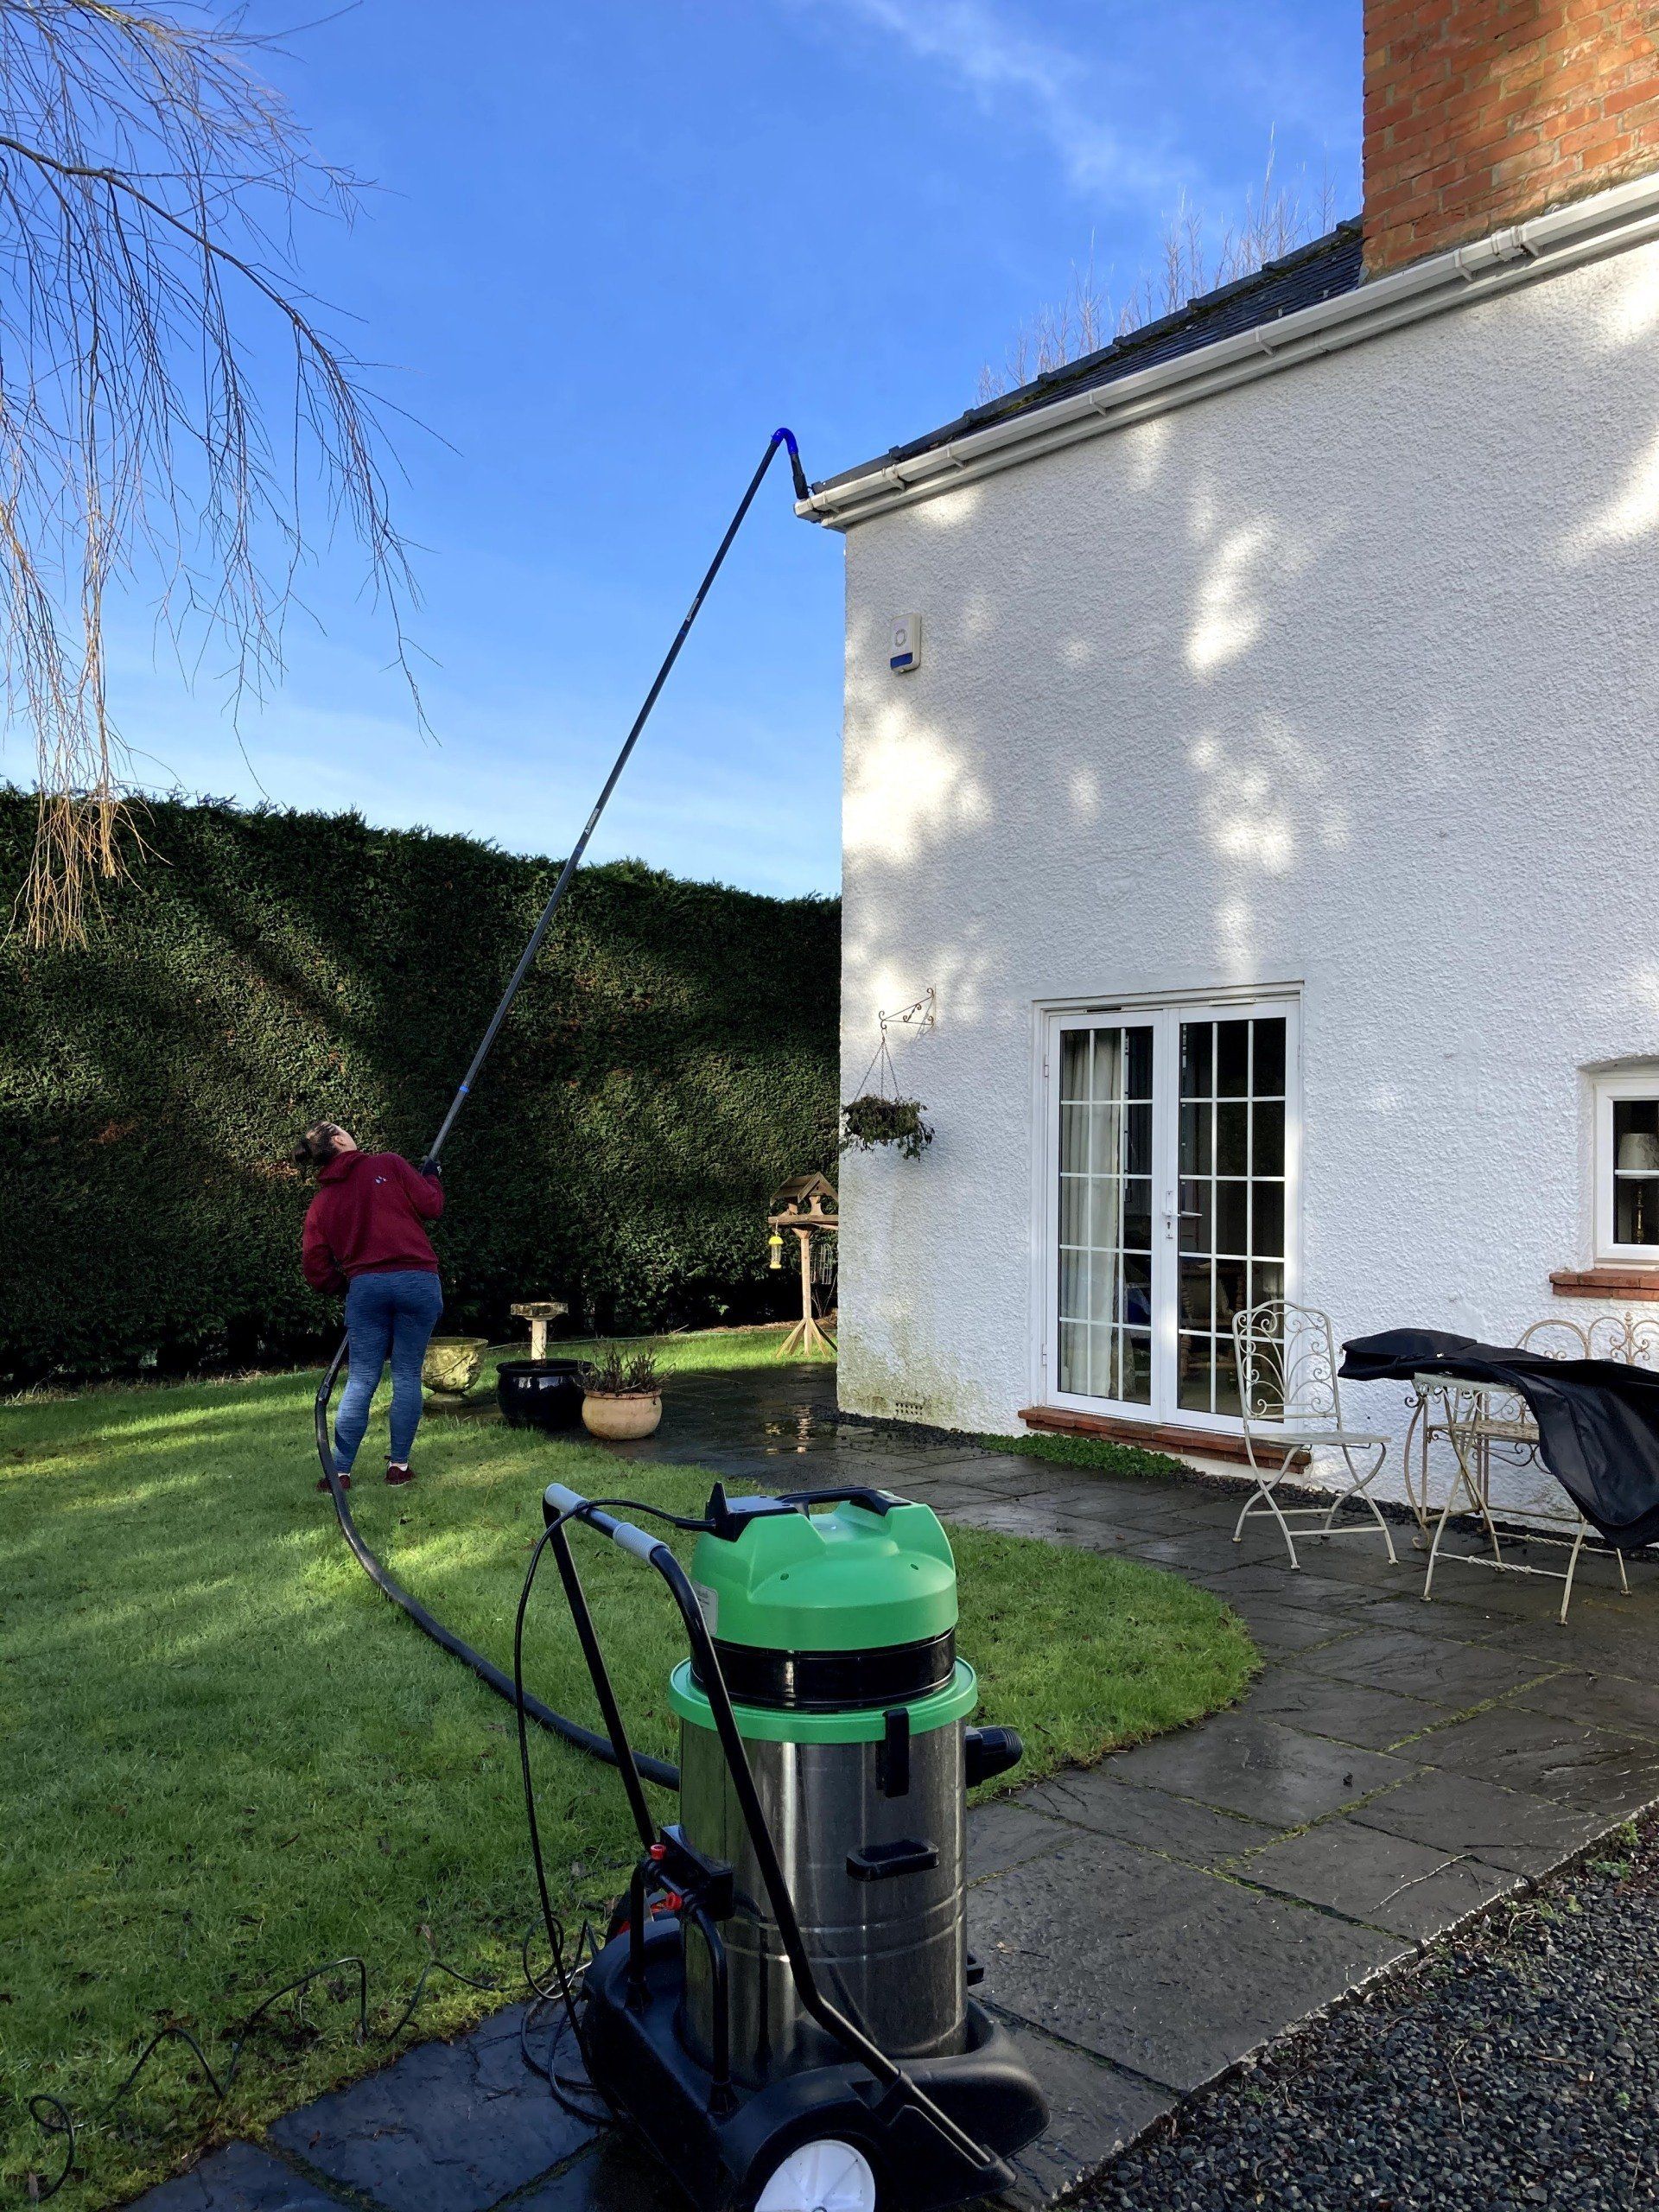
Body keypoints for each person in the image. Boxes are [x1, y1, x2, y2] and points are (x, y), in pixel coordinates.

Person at [296, 1122, 445, 1488]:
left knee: (362, 1379)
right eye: (343, 1128)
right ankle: (398, 1467)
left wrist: (345, 1284)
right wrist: (431, 1178)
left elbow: (314, 1265)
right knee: (407, 1375)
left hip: (365, 1290)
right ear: (338, 1139)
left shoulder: (321, 1202)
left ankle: (340, 1472)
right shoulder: (389, 1165)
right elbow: (431, 1205)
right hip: (416, 1281)